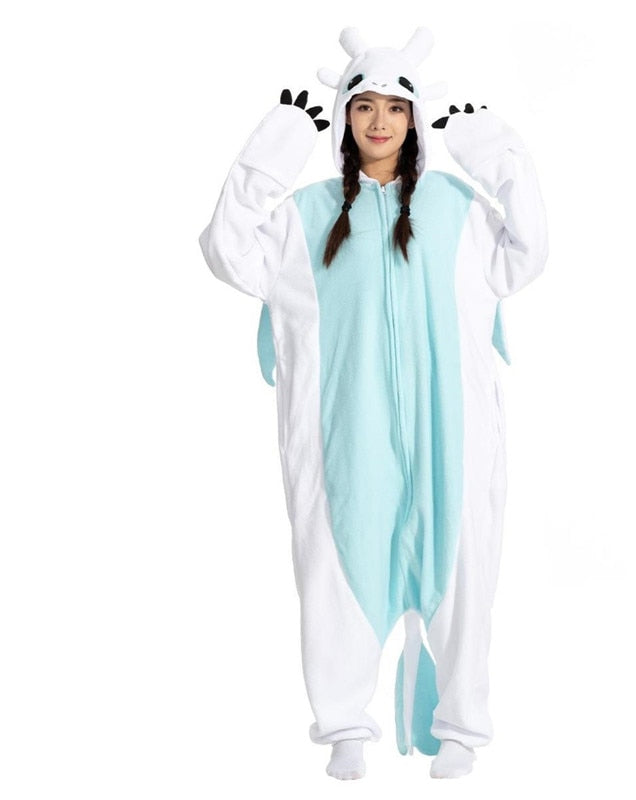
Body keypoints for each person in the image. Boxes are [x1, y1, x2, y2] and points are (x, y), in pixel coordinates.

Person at [198, 26, 549, 780]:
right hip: (342, 430)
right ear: (344, 118)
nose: (380, 121)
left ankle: (461, 728)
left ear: (415, 117)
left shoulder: (457, 208)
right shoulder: (303, 216)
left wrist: (497, 156)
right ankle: (343, 726)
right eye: (364, 106)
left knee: (462, 561)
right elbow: (227, 250)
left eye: (395, 106)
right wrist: (268, 159)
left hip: (450, 427)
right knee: (335, 561)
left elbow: (527, 253)